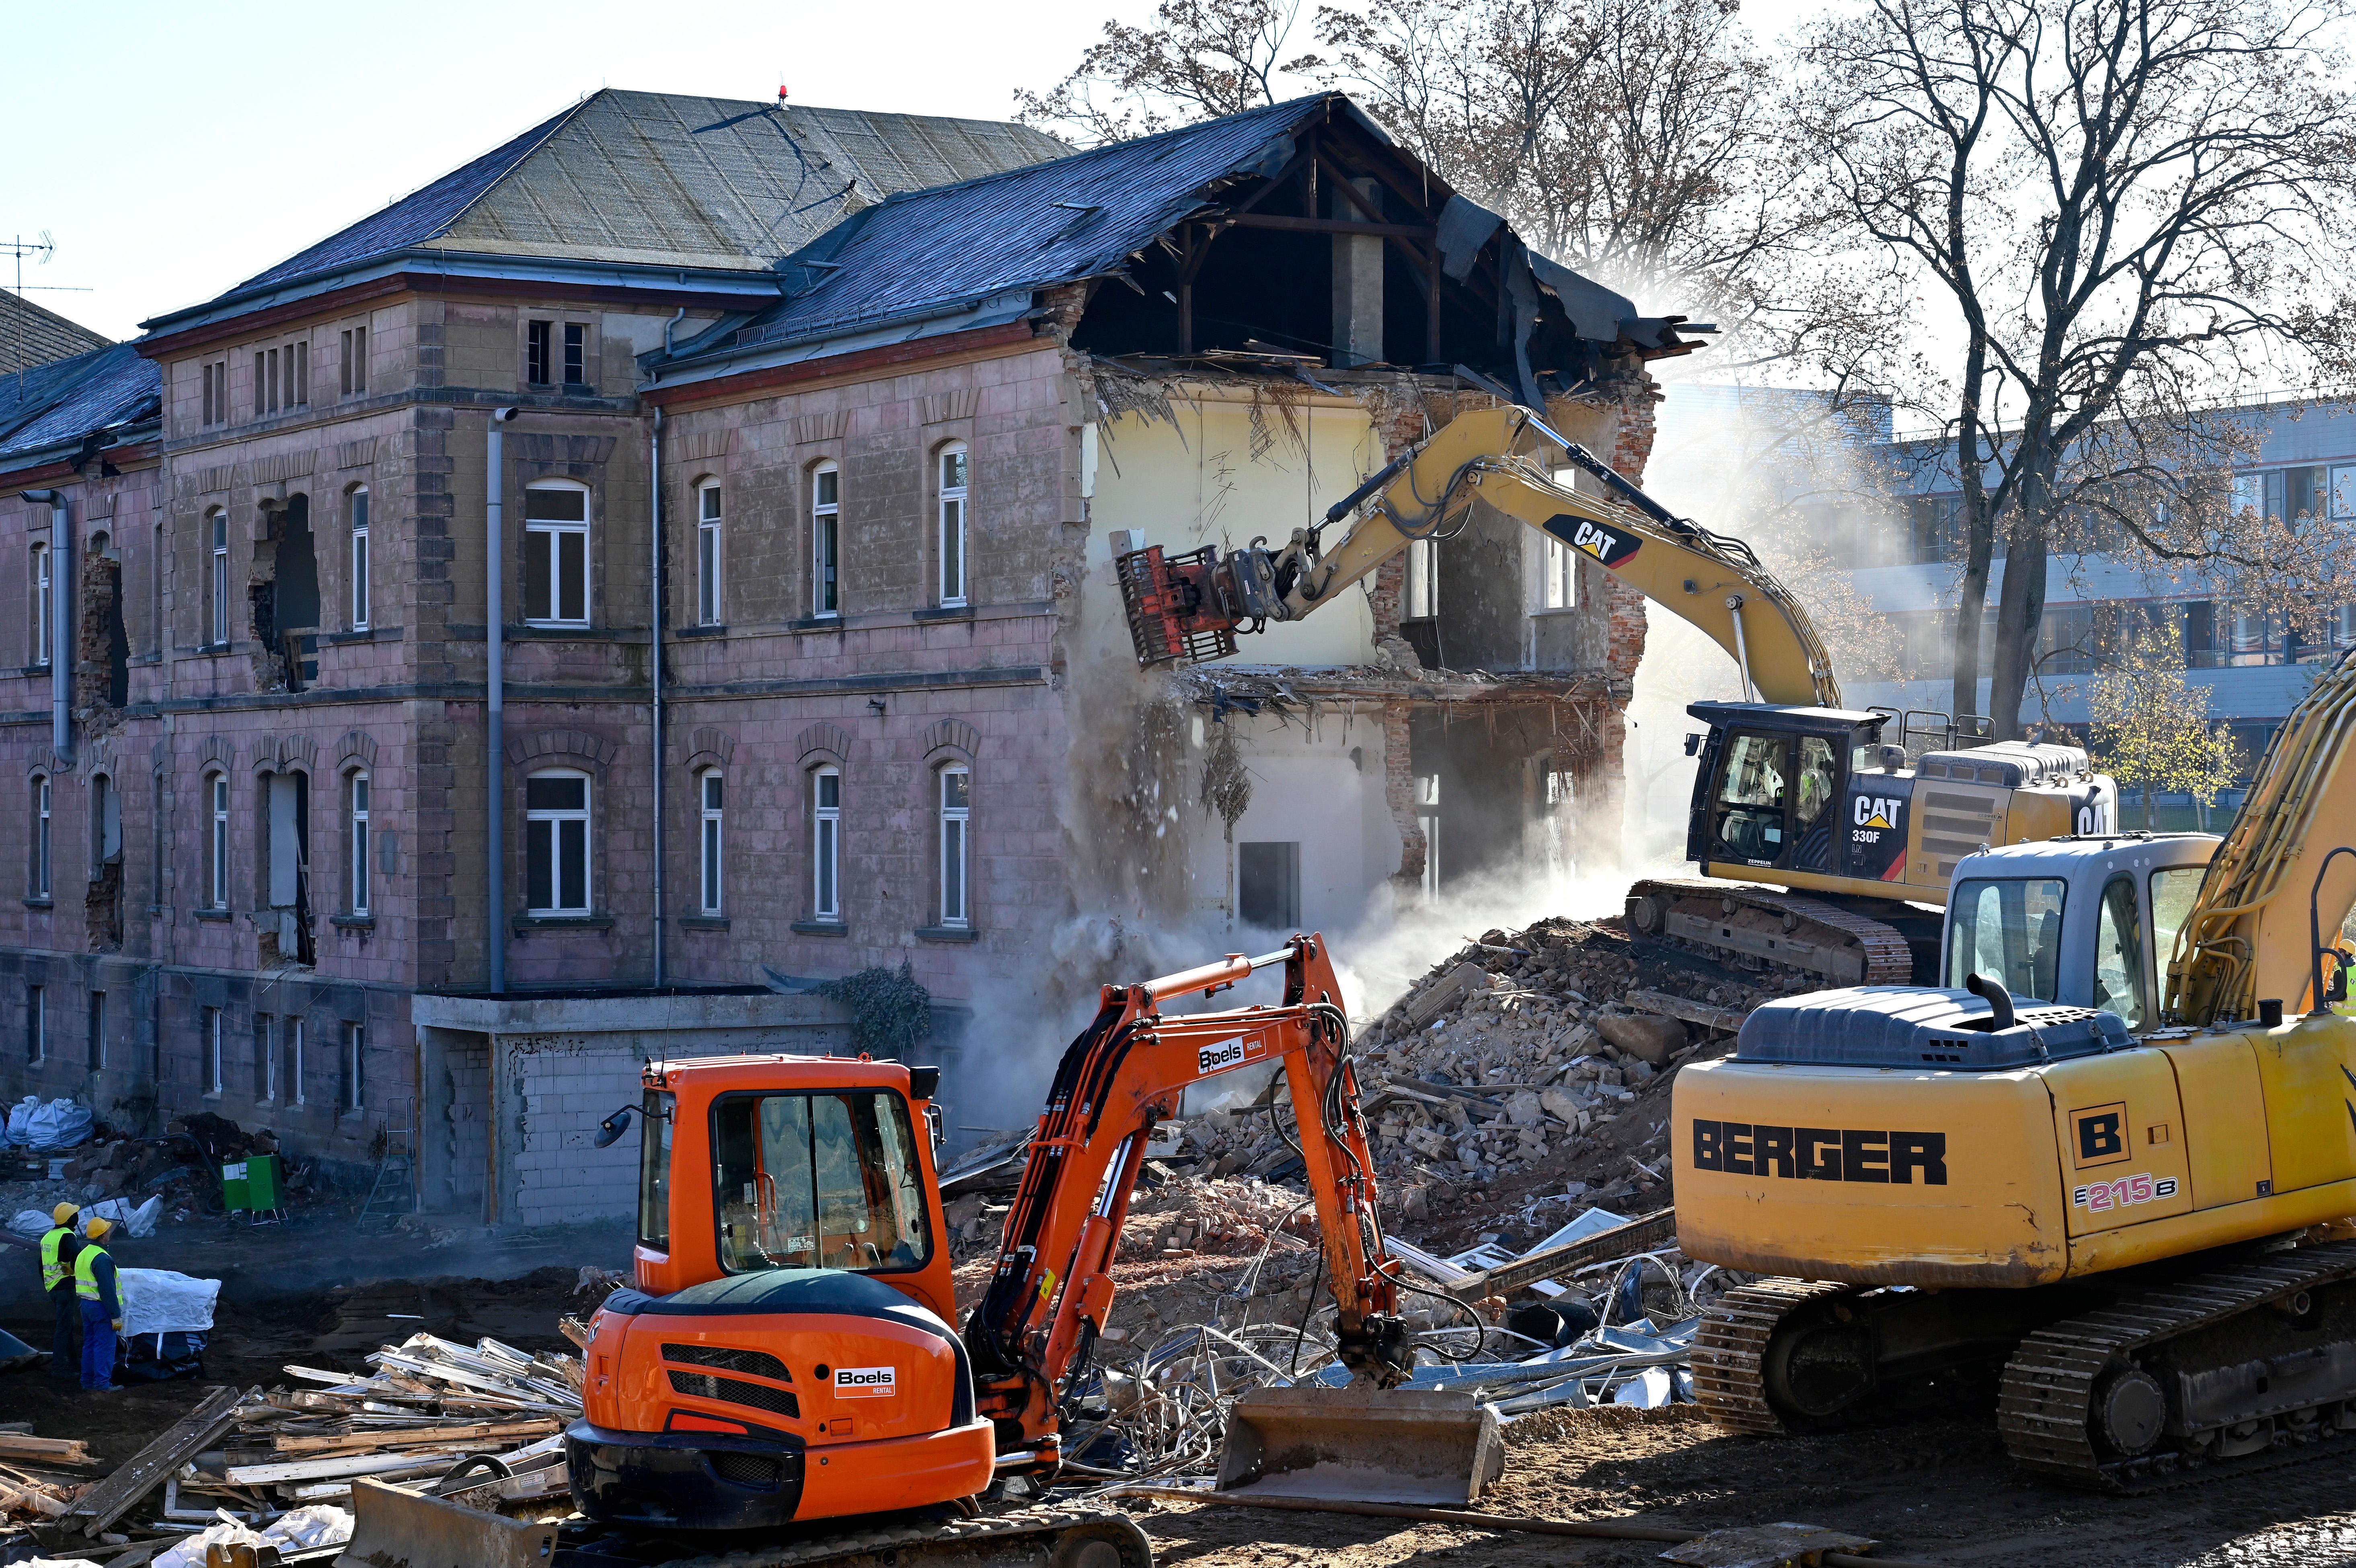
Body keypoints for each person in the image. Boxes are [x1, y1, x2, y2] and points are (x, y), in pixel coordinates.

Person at [73, 1215, 121, 1393]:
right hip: (101, 1308)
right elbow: (108, 1290)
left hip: (86, 1306)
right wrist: (115, 1316)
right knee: (105, 1346)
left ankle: (87, 1382)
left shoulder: (84, 1254)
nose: (109, 1233)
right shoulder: (102, 1259)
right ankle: (102, 1384)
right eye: (107, 1231)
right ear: (103, 1236)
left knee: (90, 1344)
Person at [37, 1202, 82, 1383]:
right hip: (65, 1288)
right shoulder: (67, 1236)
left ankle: (73, 1363)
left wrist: (48, 1285)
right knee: (63, 1329)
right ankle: (58, 1368)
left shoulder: (47, 1237)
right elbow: (79, 1256)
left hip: (53, 1289)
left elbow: (40, 1264)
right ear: (71, 1219)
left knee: (67, 1327)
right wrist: (73, 1269)